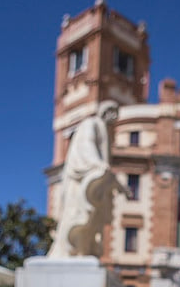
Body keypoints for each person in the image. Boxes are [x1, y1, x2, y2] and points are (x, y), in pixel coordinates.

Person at [48, 100, 131, 258]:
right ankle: (68, 251)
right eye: (113, 112)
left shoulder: (104, 130)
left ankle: (82, 252)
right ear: (104, 112)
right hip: (79, 181)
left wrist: (121, 187)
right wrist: (97, 163)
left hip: (94, 184)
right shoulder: (91, 123)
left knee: (90, 221)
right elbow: (87, 145)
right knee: (77, 216)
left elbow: (106, 167)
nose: (115, 117)